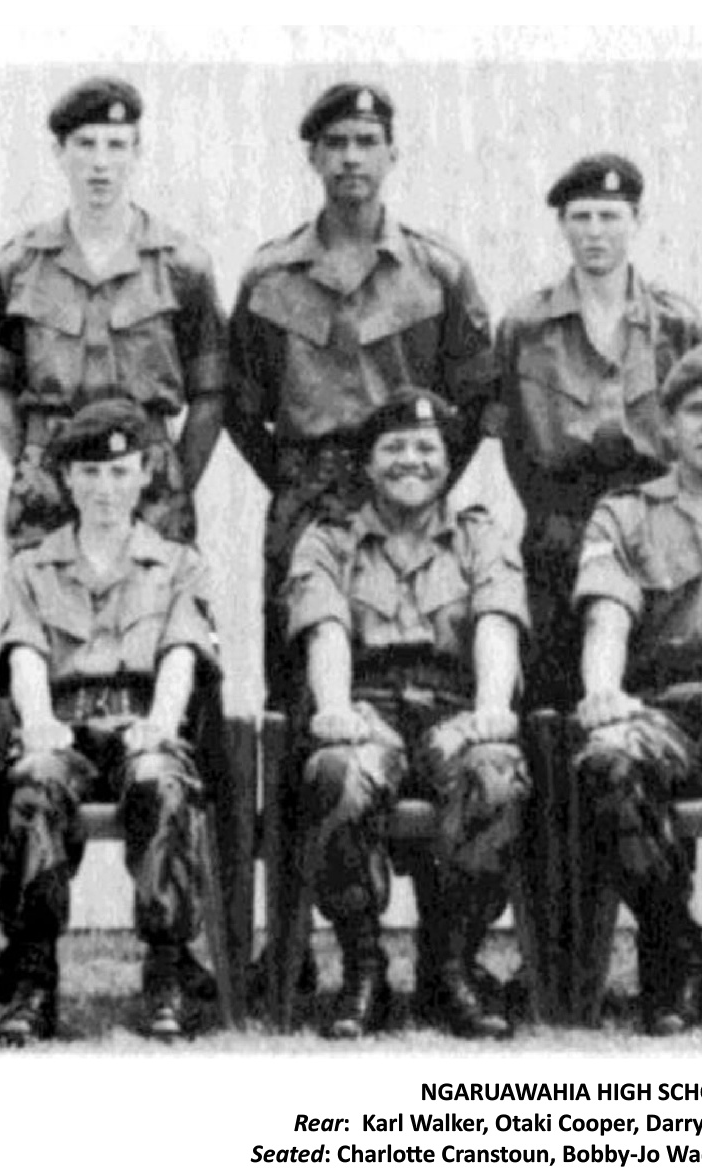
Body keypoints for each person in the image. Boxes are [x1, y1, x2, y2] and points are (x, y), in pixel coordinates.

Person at [227, 82, 496, 710]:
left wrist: (427, 478)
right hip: (307, 500)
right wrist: (295, 479)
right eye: (336, 143)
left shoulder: (437, 271)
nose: (352, 157)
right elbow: (239, 407)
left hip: (410, 497)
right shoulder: (270, 276)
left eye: (367, 142)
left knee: (423, 671)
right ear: (313, 157)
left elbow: (479, 398)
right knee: (300, 683)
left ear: (392, 154)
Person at [282, 388, 531, 1038]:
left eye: (426, 448)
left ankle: (451, 967)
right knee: (337, 772)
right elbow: (325, 630)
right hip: (369, 706)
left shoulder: (480, 536)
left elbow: (497, 622)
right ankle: (363, 969)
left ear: (449, 462)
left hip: (454, 706)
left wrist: (492, 707)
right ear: (367, 464)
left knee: (496, 773)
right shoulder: (327, 539)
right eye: (393, 448)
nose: (411, 460)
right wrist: (334, 709)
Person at [0, 399, 221, 1045]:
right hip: (63, 722)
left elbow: (181, 652)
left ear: (145, 474)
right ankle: (34, 976)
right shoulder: (32, 565)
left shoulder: (180, 563)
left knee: (160, 780)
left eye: (119, 472)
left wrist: (162, 723)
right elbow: (25, 652)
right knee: (35, 779)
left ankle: (166, 970)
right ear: (66, 480)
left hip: (141, 717)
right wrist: (38, 720)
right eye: (89, 473)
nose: (105, 489)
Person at [492, 152, 702, 711]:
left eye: (609, 216)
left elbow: (694, 422)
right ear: (562, 225)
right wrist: (551, 514)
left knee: (648, 685)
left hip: (649, 531)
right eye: (581, 217)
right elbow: (513, 440)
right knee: (553, 697)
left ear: (636, 221)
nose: (594, 232)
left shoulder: (676, 324)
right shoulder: (525, 327)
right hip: (558, 531)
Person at [0, 76, 227, 552]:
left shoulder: (182, 265)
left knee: (157, 598)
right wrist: (37, 468)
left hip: (148, 482)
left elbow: (210, 395)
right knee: (44, 597)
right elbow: (1, 388)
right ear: (59, 152)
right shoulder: (20, 265)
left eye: (116, 145)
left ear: (137, 151)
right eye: (85, 144)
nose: (100, 163)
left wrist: (169, 480)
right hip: (50, 483)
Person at [573, 342, 702, 1034]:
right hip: (669, 710)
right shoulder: (624, 514)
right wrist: (603, 691)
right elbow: (607, 616)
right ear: (669, 428)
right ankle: (677, 950)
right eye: (699, 410)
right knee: (609, 761)